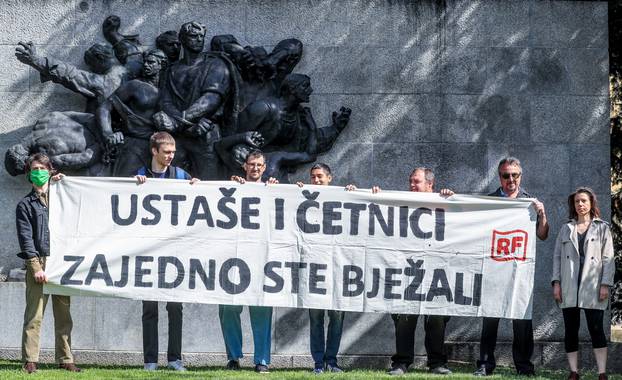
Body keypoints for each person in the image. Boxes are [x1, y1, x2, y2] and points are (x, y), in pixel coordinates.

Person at [363, 168, 453, 376]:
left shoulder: (445, 203)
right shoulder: (402, 202)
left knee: (437, 318)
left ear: (430, 185)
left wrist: (452, 198)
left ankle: (437, 363)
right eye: (410, 181)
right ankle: (402, 362)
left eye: (417, 182)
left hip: (436, 272)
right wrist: (375, 196)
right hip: (407, 272)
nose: (412, 185)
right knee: (404, 316)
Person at [474, 157, 549, 376]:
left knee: (522, 322)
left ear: (520, 176)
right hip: (494, 270)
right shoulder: (490, 201)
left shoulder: (529, 202)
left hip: (519, 271)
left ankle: (524, 367)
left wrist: (542, 214)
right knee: (490, 320)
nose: (510, 179)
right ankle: (485, 365)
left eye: (514, 175)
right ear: (500, 177)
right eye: (506, 175)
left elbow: (543, 235)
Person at [134, 132, 199, 371]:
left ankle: (174, 359)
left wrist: (196, 187)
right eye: (166, 152)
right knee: (149, 307)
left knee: (175, 307)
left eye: (173, 152)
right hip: (148, 252)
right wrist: (136, 187)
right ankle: (150, 360)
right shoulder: (141, 175)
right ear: (154, 151)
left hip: (175, 252)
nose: (171, 156)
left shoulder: (181, 176)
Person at [16, 153, 81, 374]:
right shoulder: (25, 205)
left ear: (50, 170)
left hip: (61, 261)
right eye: (34, 169)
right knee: (34, 316)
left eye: (43, 168)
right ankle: (30, 360)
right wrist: (36, 267)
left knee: (64, 316)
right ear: (28, 174)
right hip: (39, 262)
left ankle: (65, 358)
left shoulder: (60, 198)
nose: (39, 172)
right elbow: (26, 239)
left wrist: (65, 184)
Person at [220, 150, 278, 373]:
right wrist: (233, 188)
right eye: (251, 164)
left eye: (259, 165)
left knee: (261, 309)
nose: (255, 168)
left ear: (264, 168)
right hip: (233, 259)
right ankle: (233, 358)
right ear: (244, 166)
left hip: (262, 260)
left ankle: (261, 361)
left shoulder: (273, 189)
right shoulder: (233, 187)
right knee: (228, 308)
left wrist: (276, 189)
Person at [552, 187, 615, 380]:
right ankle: (574, 372)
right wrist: (556, 283)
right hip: (569, 286)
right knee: (571, 330)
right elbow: (556, 257)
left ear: (591, 203)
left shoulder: (602, 228)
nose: (580, 204)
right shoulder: (566, 229)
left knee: (596, 328)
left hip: (593, 286)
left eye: (584, 201)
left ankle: (602, 372)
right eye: (577, 201)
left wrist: (605, 284)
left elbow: (608, 258)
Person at [295, 163, 346, 374]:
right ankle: (318, 363)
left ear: (330, 178)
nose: (316, 181)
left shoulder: (343, 198)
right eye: (313, 177)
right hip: (314, 270)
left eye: (320, 177)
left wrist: (354, 193)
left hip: (337, 271)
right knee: (315, 319)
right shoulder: (303, 198)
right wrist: (294, 194)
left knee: (336, 317)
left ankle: (331, 361)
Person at [97, 49, 167, 177]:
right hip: (135, 145)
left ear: (162, 65)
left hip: (163, 148)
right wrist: (108, 133)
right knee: (125, 182)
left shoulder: (169, 90)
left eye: (151, 62)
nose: (146, 65)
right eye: (145, 62)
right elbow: (105, 107)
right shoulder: (134, 86)